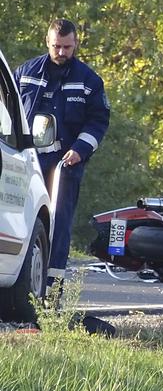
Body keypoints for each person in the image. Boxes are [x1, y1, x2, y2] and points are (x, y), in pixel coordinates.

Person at [14, 19, 110, 291]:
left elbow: (98, 122)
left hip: (64, 165)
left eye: (67, 47)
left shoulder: (89, 81)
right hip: (26, 163)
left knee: (58, 225)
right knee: (22, 222)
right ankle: (20, 286)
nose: (61, 52)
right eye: (57, 46)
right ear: (47, 42)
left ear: (76, 44)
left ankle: (52, 288)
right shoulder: (25, 73)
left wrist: (79, 151)